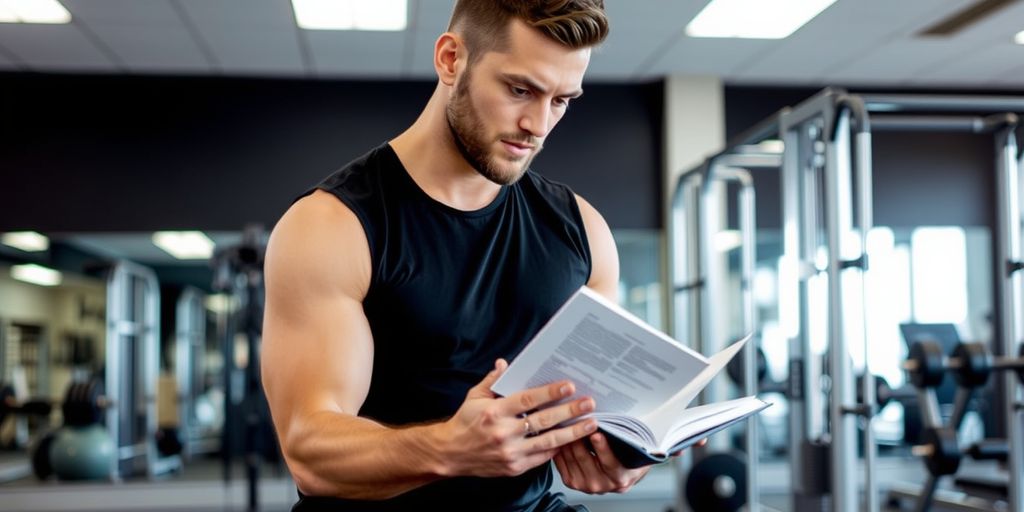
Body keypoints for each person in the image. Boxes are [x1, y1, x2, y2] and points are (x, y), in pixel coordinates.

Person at [261, 1, 660, 510]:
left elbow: (595, 413)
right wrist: (452, 448)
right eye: (520, 90)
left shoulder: (584, 233)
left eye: (562, 100)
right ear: (451, 60)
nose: (538, 124)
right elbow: (309, 452)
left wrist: (619, 451)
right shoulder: (332, 226)